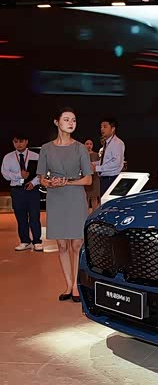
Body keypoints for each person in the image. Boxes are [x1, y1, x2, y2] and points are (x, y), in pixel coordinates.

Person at [37, 108, 93, 302]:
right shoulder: (46, 148)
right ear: (56, 122)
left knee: (77, 244)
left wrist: (67, 182)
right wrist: (49, 182)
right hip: (56, 199)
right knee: (61, 245)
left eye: (74, 120)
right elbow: (41, 178)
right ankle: (68, 285)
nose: (71, 123)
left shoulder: (80, 148)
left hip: (75, 196)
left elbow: (88, 180)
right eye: (67, 119)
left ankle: (77, 285)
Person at [1, 134, 43, 251]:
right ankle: (25, 241)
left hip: (32, 190)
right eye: (16, 142)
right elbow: (5, 173)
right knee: (21, 217)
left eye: (21, 141)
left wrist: (33, 183)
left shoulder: (35, 156)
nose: (18, 144)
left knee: (34, 216)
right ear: (13, 142)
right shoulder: (8, 157)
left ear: (26, 141)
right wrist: (19, 175)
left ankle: (37, 241)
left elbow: (41, 173)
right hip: (17, 190)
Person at [93, 117, 125, 197]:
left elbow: (116, 163)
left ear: (113, 129)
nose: (102, 129)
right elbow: (105, 161)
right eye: (101, 127)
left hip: (112, 179)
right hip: (105, 179)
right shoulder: (107, 143)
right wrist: (93, 164)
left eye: (105, 127)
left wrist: (97, 168)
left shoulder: (117, 143)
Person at [83, 139, 100, 211]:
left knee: (94, 197)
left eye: (90, 144)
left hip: (94, 178)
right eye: (87, 144)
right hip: (84, 177)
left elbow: (99, 165)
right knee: (85, 197)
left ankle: (94, 214)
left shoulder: (96, 155)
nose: (89, 145)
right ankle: (85, 215)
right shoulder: (82, 154)